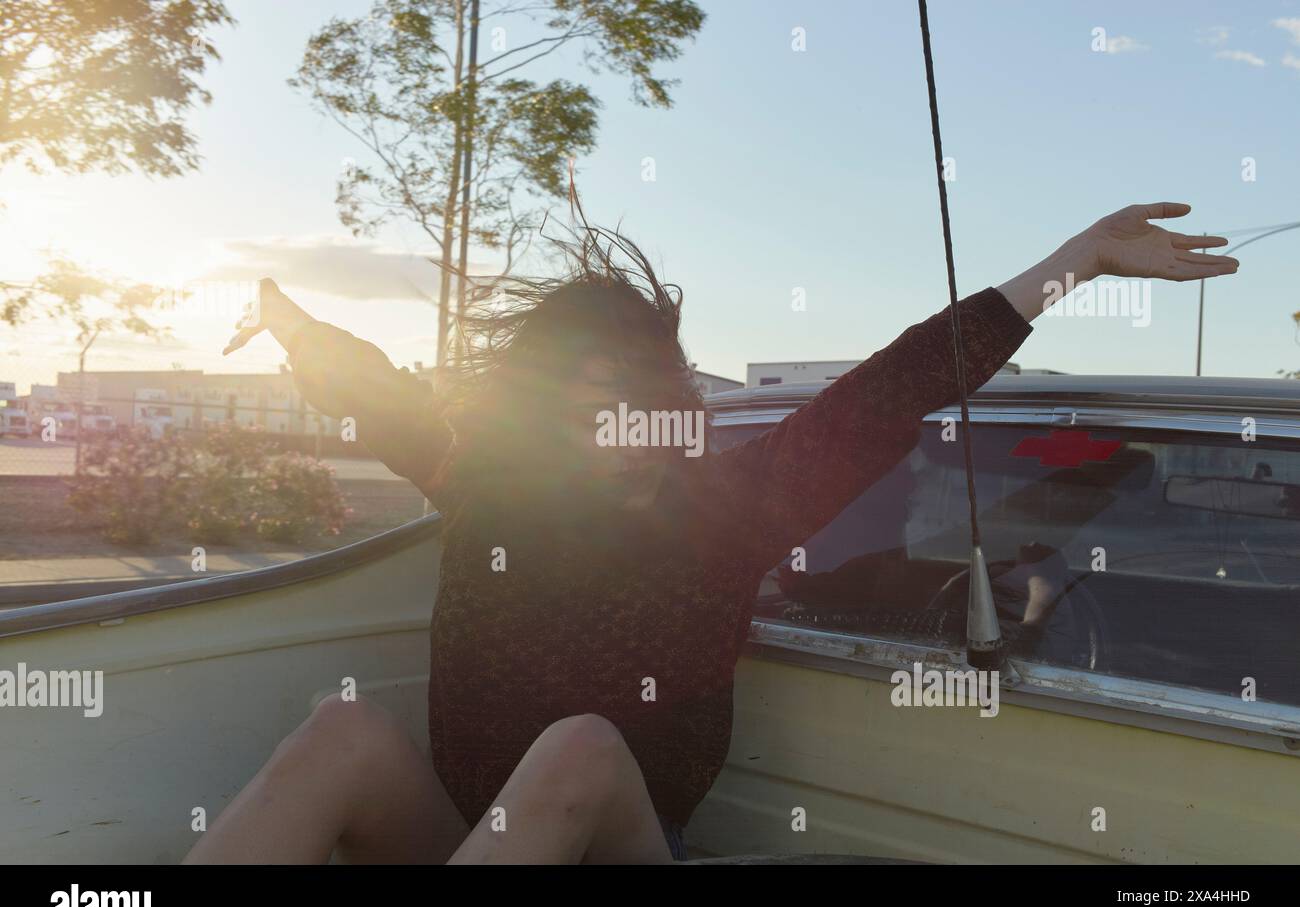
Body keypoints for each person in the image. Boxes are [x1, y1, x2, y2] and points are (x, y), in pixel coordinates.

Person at [185, 202, 1236, 864]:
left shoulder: (732, 510)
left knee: (582, 748)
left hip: (622, 844)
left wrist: (1068, 265)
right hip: (474, 840)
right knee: (343, 732)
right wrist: (291, 326)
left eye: (634, 398)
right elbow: (378, 393)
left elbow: (888, 391)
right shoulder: (490, 486)